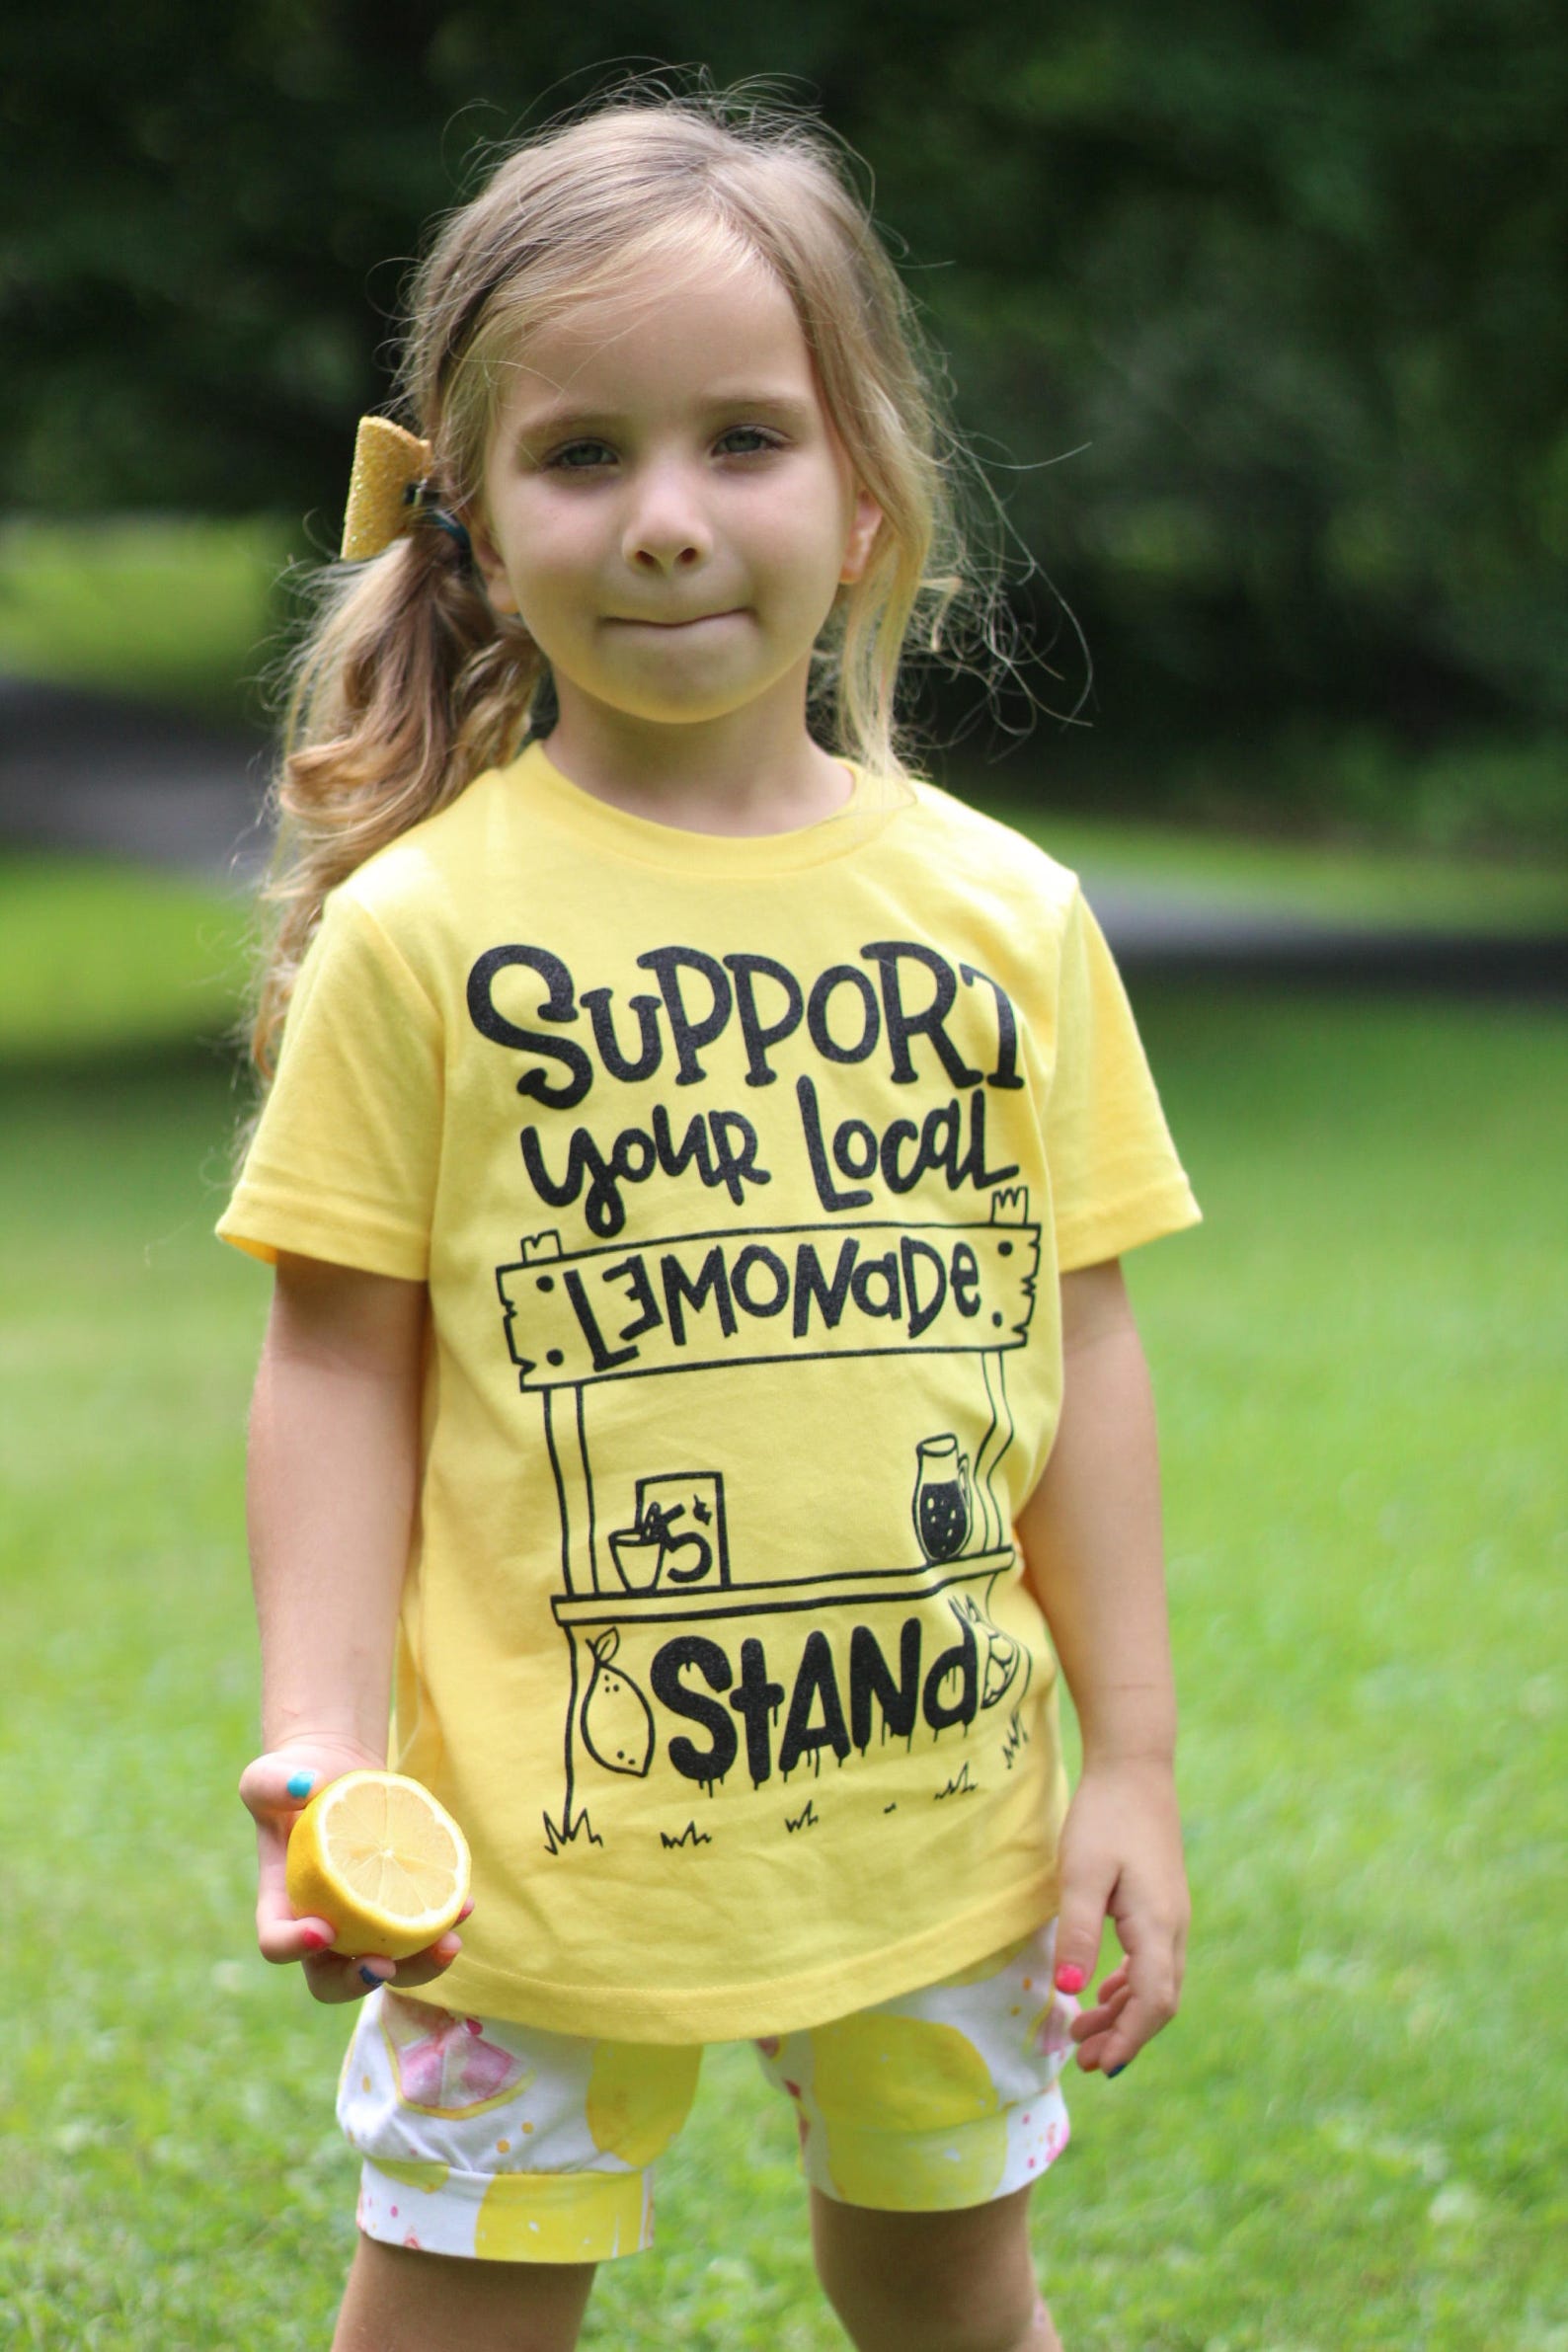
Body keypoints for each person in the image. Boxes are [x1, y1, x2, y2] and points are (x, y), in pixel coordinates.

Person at [223, 84, 1201, 2352]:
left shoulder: (1010, 916)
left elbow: (1091, 1347)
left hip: (938, 1830)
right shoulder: (423, 931)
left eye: (741, 440)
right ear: (466, 525)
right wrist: (319, 1738)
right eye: (583, 456)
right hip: (521, 1872)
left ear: (864, 493)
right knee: (454, 2299)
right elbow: (335, 1357)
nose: (665, 522)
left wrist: (1131, 1760)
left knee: (950, 2290)